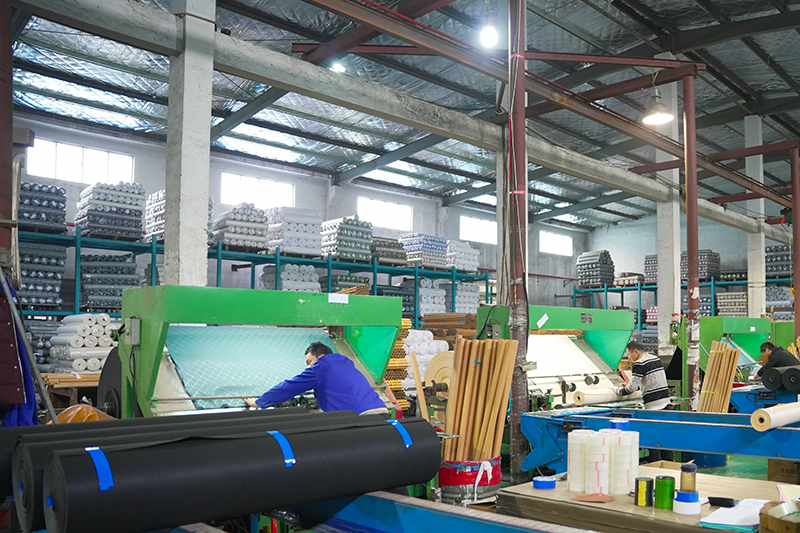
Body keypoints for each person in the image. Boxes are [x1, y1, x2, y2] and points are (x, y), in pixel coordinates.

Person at [245, 342, 389, 416]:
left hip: (359, 417)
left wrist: (259, 402)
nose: (309, 367)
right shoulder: (346, 363)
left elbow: (288, 387)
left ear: (320, 357)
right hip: (383, 412)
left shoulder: (321, 366)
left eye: (309, 362)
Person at [613, 339, 671, 462]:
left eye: (630, 355)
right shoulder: (655, 359)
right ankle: (668, 465)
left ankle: (655, 465)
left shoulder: (639, 364)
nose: (630, 358)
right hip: (666, 404)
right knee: (665, 438)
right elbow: (649, 380)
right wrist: (636, 386)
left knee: (653, 440)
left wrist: (617, 391)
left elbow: (631, 389)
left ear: (636, 352)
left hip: (654, 408)